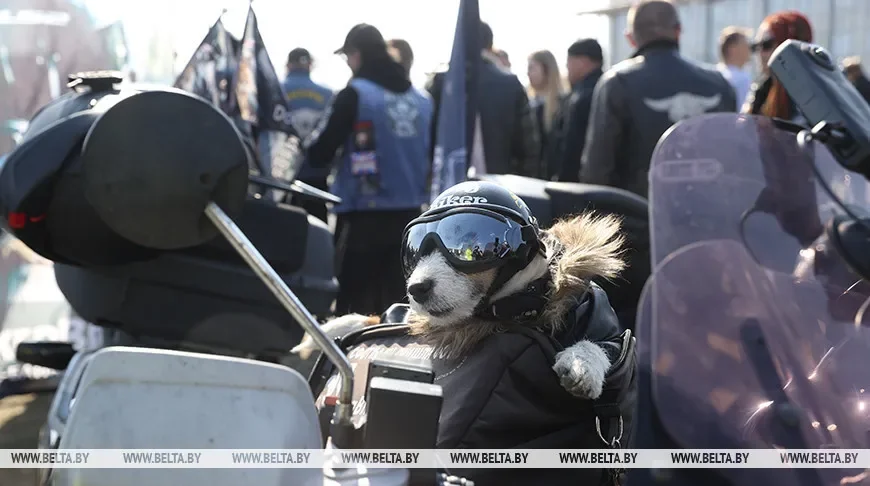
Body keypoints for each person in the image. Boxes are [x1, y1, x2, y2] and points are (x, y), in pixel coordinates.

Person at [304, 24, 433, 316]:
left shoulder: (354, 94)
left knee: (353, 311)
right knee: (401, 309)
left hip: (362, 221)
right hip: (410, 221)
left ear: (357, 54)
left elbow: (320, 152)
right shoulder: (423, 101)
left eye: (347, 57)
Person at [580, 0, 736, 197]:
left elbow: (596, 172)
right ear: (678, 31)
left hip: (640, 212)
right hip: (708, 211)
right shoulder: (719, 84)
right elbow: (734, 162)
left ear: (631, 38)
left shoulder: (617, 83)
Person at [426, 22, 541, 178]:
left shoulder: (442, 83)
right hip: (500, 183)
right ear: (490, 45)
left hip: (449, 181)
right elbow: (528, 147)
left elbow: (427, 140)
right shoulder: (510, 84)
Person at [281, 48, 334, 222]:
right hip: (316, 175)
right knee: (317, 229)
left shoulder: (276, 90)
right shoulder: (328, 94)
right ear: (310, 65)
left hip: (281, 174)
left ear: (288, 64)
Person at [743, 11, 812, 120]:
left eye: (766, 44)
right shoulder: (762, 89)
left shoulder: (809, 95)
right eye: (755, 46)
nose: (760, 53)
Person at [558, 39, 604, 183]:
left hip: (579, 183)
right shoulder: (608, 89)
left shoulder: (583, 96)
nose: (567, 67)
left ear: (582, 62)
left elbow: (572, 147)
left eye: (569, 61)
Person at [526, 50, 566, 179]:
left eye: (532, 68)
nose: (528, 73)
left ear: (547, 70)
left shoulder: (562, 104)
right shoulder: (530, 104)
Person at [716, 26, 753, 108]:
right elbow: (742, 112)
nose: (750, 49)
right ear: (732, 49)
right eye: (746, 45)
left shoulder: (715, 73)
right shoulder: (742, 79)